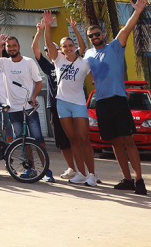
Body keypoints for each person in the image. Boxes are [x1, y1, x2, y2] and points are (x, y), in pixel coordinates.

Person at [84, 0, 148, 195]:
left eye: (97, 34)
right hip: (101, 104)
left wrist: (137, 11)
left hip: (119, 101)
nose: (95, 37)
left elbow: (127, 28)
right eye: (91, 36)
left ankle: (139, 180)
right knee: (114, 143)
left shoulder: (115, 47)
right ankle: (127, 179)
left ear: (103, 34)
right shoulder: (87, 54)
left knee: (128, 141)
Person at [41, 10, 96, 187]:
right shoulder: (58, 60)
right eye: (64, 46)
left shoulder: (83, 62)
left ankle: (92, 174)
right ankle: (80, 173)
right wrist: (47, 26)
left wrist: (75, 30)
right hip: (62, 104)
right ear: (61, 50)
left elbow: (83, 48)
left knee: (84, 138)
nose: (68, 48)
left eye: (70, 45)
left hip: (79, 103)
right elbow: (48, 42)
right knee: (73, 139)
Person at [0, 34, 44, 180]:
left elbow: (39, 82)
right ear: (6, 48)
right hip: (13, 110)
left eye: (14, 45)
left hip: (29, 108)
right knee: (22, 140)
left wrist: (33, 97)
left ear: (19, 47)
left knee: (39, 139)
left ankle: (46, 171)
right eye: (9, 46)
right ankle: (31, 169)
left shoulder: (28, 62)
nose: (12, 48)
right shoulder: (4, 62)